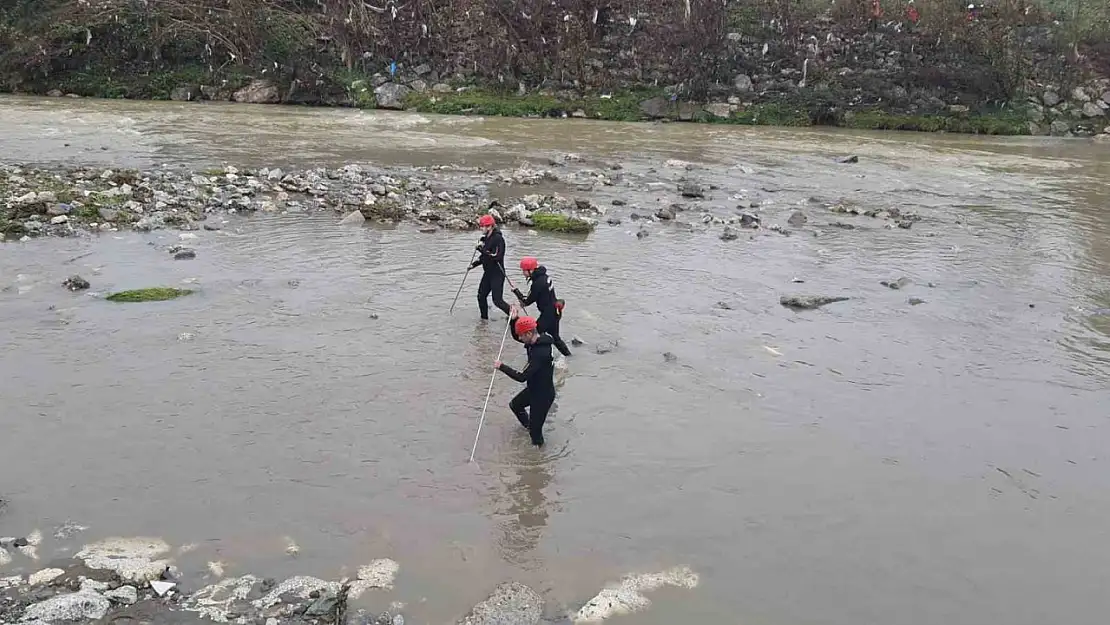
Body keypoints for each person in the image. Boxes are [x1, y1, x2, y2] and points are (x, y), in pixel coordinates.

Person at [494, 309, 556, 447]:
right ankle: (530, 426)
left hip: (543, 395)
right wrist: (514, 320)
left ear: (529, 333)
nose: (520, 339)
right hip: (534, 389)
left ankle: (539, 460)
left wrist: (501, 366)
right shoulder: (535, 339)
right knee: (515, 405)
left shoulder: (540, 353)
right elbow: (518, 336)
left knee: (536, 433)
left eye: (522, 336)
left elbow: (522, 377)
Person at [511, 257, 572, 356]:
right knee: (556, 338)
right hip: (555, 311)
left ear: (530, 270)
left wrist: (516, 291)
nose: (523, 273)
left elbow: (526, 301)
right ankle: (569, 356)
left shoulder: (537, 283)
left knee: (531, 336)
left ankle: (534, 357)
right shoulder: (545, 277)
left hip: (548, 315)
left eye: (524, 270)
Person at [469, 215, 510, 320]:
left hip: (497, 273)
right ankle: (484, 320)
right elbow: (484, 257)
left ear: (490, 226)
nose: (481, 228)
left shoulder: (498, 239)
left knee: (497, 301)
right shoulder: (485, 238)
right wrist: (474, 264)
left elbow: (496, 257)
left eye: (482, 226)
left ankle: (513, 315)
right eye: (481, 226)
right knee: (481, 296)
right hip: (487, 273)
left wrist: (481, 249)